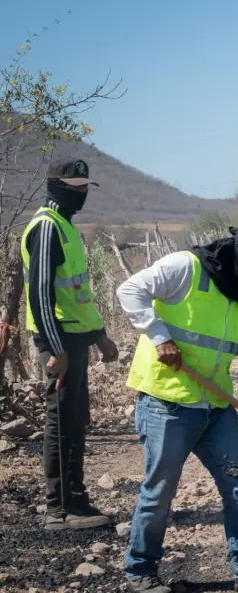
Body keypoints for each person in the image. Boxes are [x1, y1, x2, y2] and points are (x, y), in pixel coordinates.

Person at [116, 227, 238, 593]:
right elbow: (129, 290)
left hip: (217, 406)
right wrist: (159, 335)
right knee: (160, 491)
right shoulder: (187, 268)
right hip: (168, 402)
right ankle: (140, 572)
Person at [21, 158, 120, 530]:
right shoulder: (46, 228)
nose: (80, 194)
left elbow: (75, 293)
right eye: (74, 187)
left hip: (76, 341)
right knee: (61, 421)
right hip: (58, 343)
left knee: (76, 420)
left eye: (84, 187)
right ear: (56, 186)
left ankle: (76, 500)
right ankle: (59, 511)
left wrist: (99, 335)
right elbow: (41, 295)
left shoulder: (64, 226)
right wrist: (56, 348)